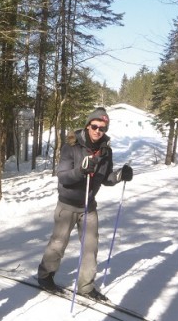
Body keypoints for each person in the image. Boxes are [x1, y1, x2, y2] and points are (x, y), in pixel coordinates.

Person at [37, 107, 133, 301]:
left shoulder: (106, 151)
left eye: (102, 128)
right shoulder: (71, 146)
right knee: (58, 244)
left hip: (89, 206)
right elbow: (63, 176)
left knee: (90, 247)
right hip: (67, 204)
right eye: (95, 126)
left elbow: (106, 178)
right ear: (88, 125)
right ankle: (45, 275)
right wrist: (80, 171)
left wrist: (120, 176)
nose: (98, 131)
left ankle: (86, 287)